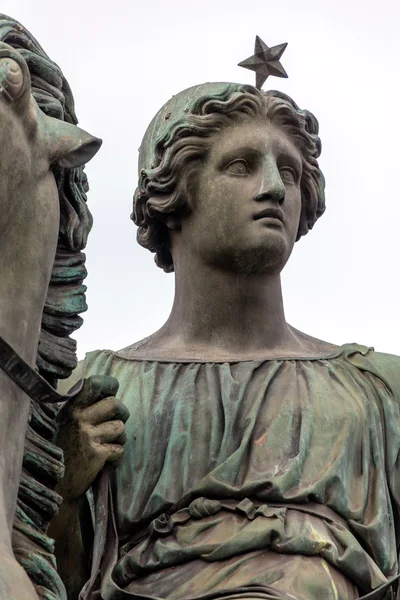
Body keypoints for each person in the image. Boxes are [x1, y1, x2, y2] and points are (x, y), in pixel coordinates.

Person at [51, 82, 400, 600]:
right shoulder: (97, 394)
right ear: (172, 193)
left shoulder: (378, 390)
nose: (275, 188)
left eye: (290, 172)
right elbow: (42, 577)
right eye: (240, 166)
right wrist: (62, 493)